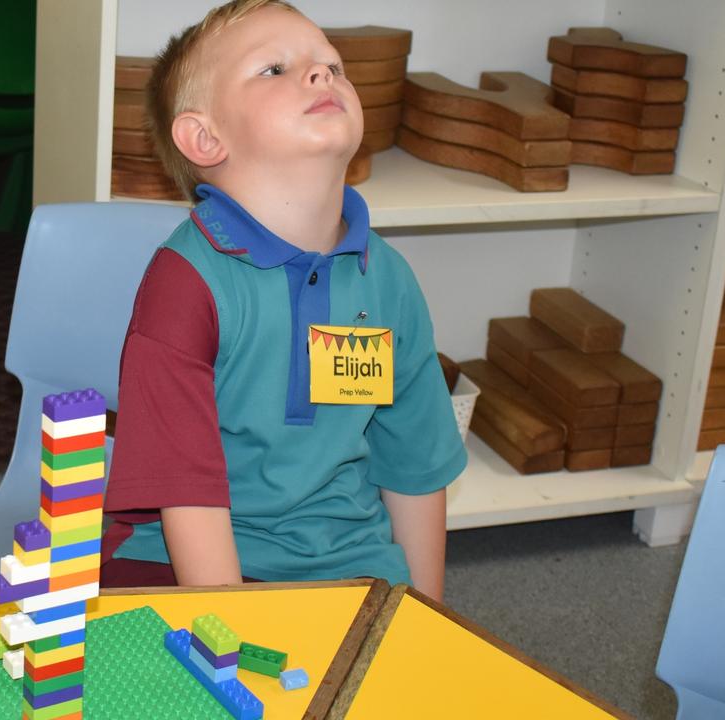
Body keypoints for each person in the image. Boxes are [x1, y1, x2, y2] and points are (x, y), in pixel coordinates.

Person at [99, 0, 466, 601]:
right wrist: (229, 635)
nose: (323, 74)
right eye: (275, 69)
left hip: (348, 556)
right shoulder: (186, 283)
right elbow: (187, 493)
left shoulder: (389, 279)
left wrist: (427, 615)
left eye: (333, 65)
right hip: (185, 555)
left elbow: (415, 466)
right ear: (204, 137)